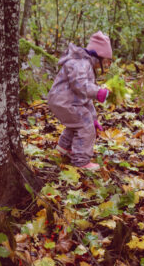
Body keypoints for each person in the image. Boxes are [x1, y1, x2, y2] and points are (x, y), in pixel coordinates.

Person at [47, 31, 112, 170]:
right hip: (64, 101)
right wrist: (98, 92)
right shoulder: (81, 63)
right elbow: (80, 85)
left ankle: (65, 147)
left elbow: (85, 99)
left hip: (65, 101)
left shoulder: (85, 63)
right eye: (105, 61)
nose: (105, 65)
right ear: (98, 56)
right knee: (85, 125)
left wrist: (94, 118)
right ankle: (81, 161)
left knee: (78, 121)